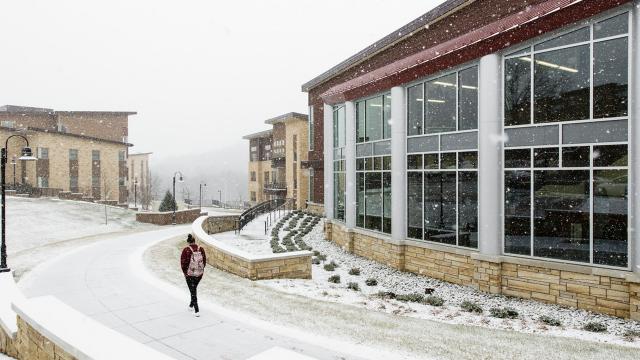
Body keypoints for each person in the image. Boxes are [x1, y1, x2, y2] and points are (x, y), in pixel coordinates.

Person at [180, 234, 206, 317]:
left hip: (190, 274)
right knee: (193, 289)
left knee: (192, 290)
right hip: (199, 274)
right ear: (194, 241)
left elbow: (183, 263)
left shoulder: (186, 250)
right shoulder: (200, 249)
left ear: (188, 242)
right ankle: (191, 305)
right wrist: (200, 271)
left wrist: (186, 273)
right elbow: (204, 261)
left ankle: (196, 309)